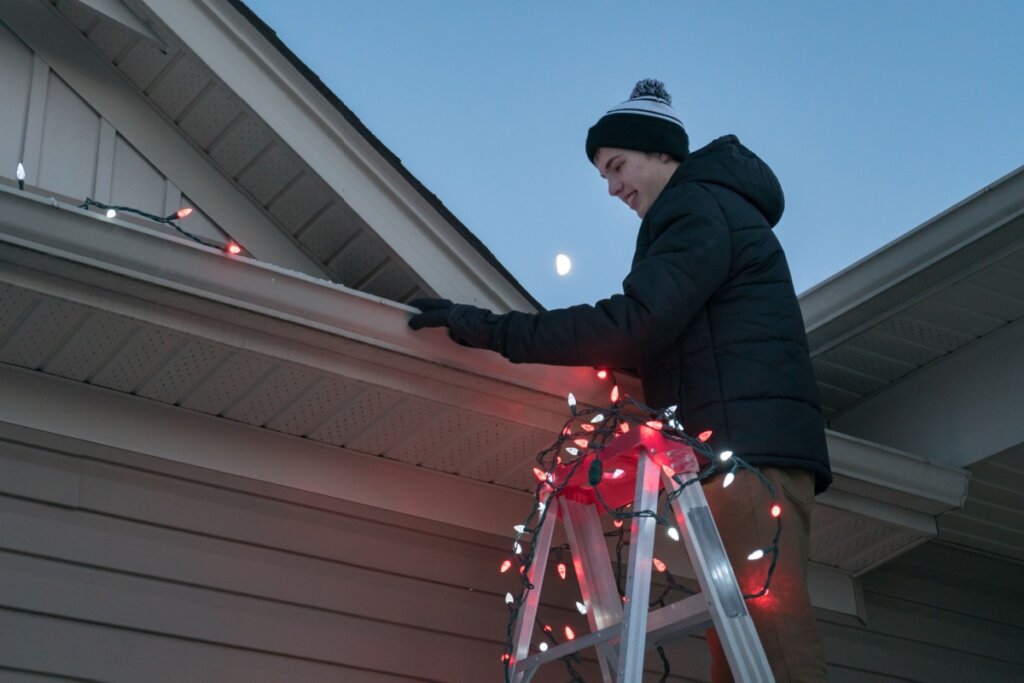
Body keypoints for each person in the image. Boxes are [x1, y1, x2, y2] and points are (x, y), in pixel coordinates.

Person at [408, 79, 830, 682]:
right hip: (742, 447)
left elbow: (636, 322)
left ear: (662, 153)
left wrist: (491, 330)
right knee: (737, 643)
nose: (611, 187)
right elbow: (663, 331)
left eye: (617, 165)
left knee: (769, 638)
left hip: (748, 451)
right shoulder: (710, 210)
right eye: (604, 174)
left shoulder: (697, 206)